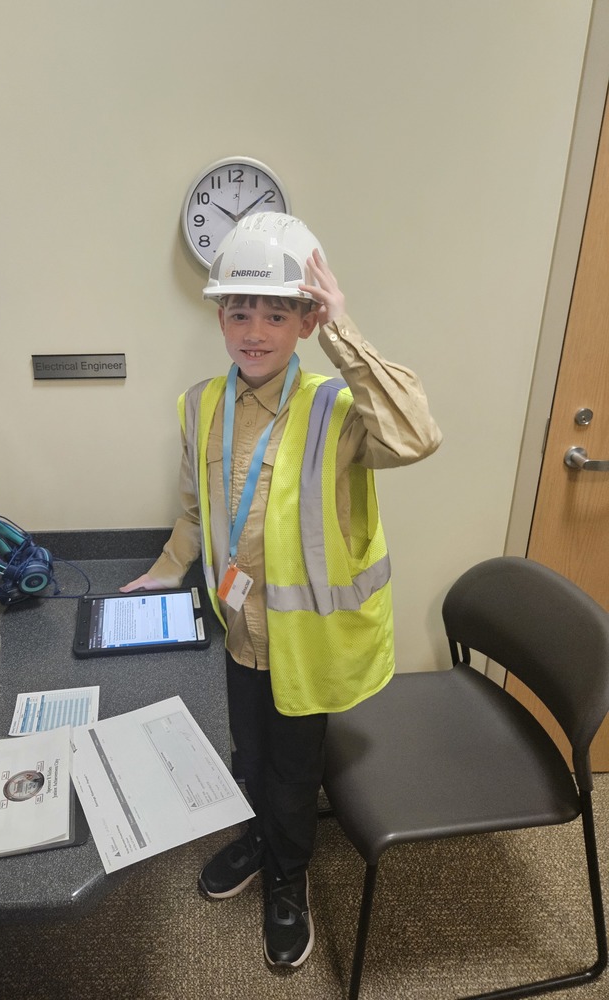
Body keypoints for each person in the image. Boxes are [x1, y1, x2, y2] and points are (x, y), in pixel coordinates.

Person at [121, 212, 442, 970]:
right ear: (219, 316)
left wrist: (347, 332)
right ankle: (259, 837)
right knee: (250, 752)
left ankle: (288, 875)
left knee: (297, 768)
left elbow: (416, 437)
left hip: (309, 642)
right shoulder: (202, 405)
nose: (254, 330)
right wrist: (164, 571)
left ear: (305, 321)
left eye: (276, 312)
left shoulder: (337, 407)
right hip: (241, 629)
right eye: (239, 310)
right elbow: (197, 511)